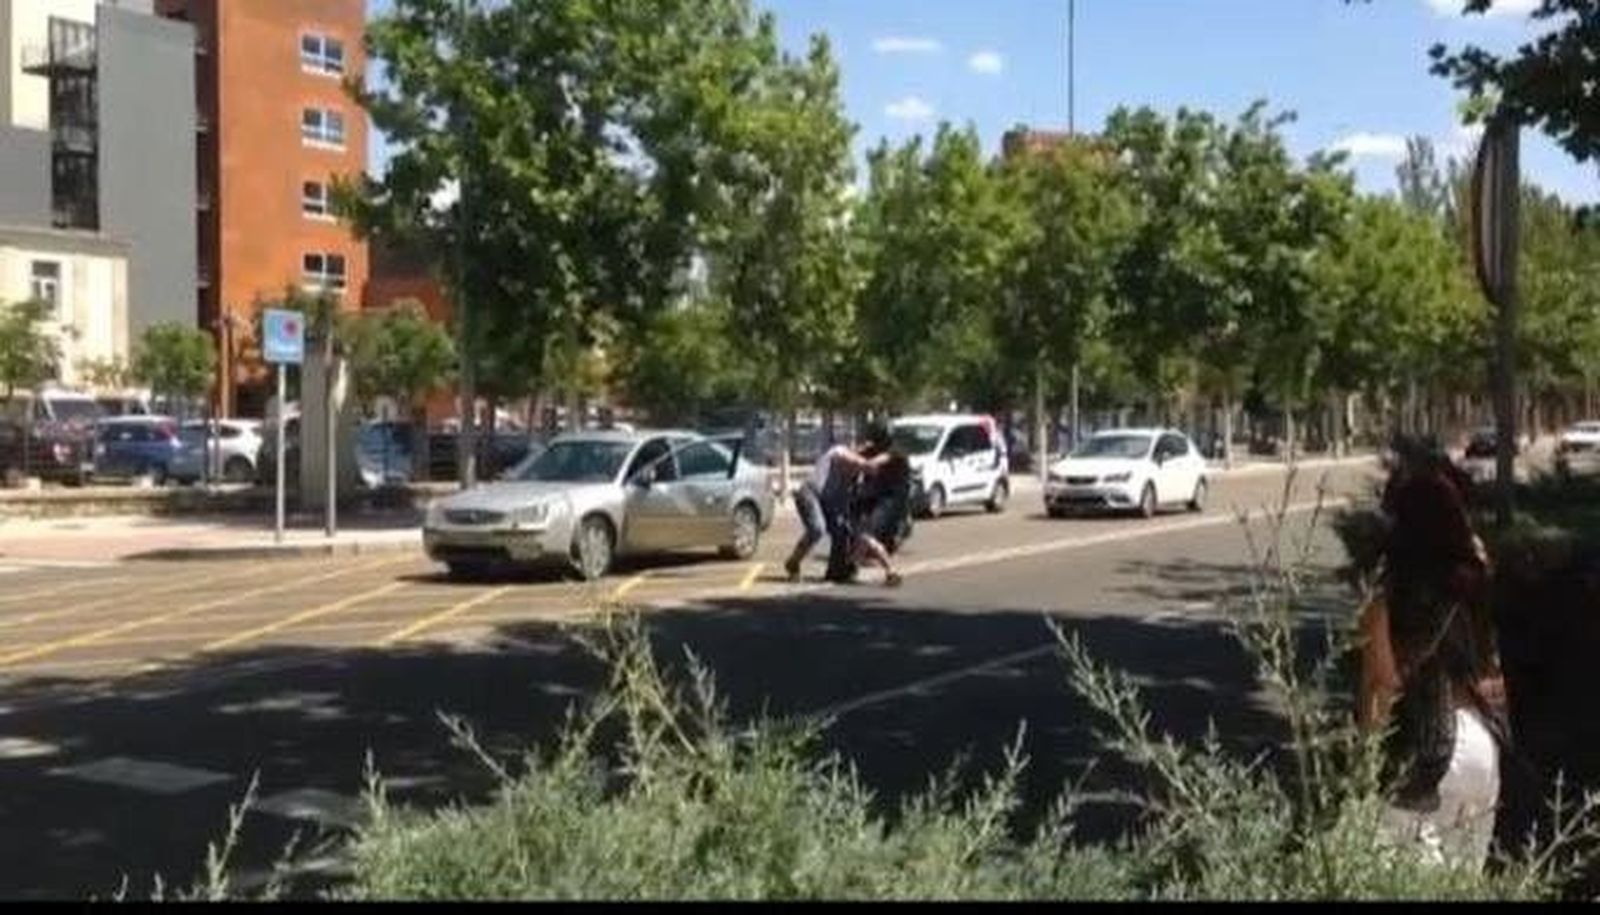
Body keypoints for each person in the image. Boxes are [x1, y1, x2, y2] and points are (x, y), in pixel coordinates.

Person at [784, 432, 881, 583]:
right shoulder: (838, 452)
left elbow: (845, 506)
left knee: (842, 530)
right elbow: (851, 460)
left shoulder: (851, 482)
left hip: (826, 502)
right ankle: (793, 562)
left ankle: (836, 571)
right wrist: (867, 464)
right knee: (817, 529)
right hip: (810, 493)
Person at [851, 431, 910, 588]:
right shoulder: (875, 448)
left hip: (892, 502)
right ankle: (852, 567)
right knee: (862, 533)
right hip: (881, 500)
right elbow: (854, 454)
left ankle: (891, 571)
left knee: (866, 534)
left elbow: (874, 463)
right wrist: (858, 451)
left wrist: (861, 464)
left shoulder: (895, 451)